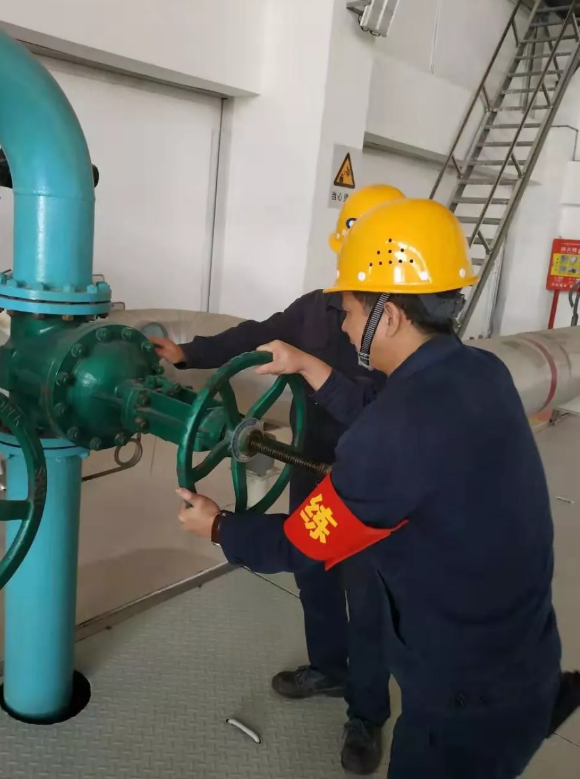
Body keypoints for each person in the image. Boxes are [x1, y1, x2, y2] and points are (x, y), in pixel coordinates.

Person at [175, 198, 566, 778]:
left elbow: (304, 543)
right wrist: (308, 365)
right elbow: (378, 406)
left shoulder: (393, 435)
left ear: (390, 316)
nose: (343, 324)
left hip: (463, 698)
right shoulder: (476, 371)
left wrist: (217, 526)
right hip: (521, 652)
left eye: (351, 311)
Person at [151, 185, 405, 775]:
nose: (348, 305)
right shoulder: (318, 308)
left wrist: (314, 371)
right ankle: (329, 668)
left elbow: (386, 418)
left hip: (372, 483)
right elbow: (256, 336)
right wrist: (188, 353)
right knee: (312, 570)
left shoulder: (405, 337)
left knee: (369, 597)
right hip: (310, 460)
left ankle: (367, 713)